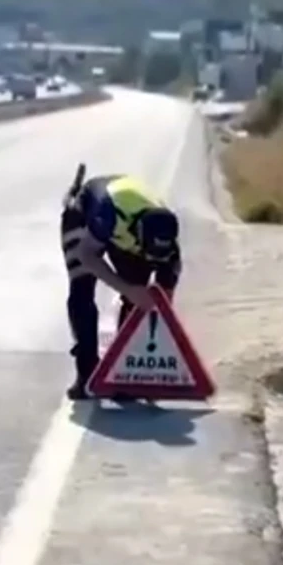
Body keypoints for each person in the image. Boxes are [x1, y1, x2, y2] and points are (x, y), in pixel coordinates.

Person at [59, 163, 181, 400]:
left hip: (125, 227)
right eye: (147, 253)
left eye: (157, 257)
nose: (151, 260)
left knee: (137, 300)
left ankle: (125, 371)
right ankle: (86, 371)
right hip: (85, 217)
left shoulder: (170, 247)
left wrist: (149, 368)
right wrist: (127, 288)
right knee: (82, 289)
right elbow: (87, 255)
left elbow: (163, 305)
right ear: (138, 236)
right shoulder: (110, 214)